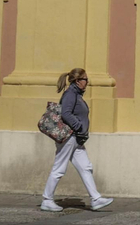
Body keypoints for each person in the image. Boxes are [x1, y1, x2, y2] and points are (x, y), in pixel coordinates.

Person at [41, 68, 113, 212]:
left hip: (76, 138)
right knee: (59, 168)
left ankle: (96, 199)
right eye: (85, 79)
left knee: (86, 167)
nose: (87, 82)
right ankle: (47, 200)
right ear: (77, 81)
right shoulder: (70, 94)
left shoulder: (76, 94)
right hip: (70, 137)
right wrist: (78, 126)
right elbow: (66, 113)